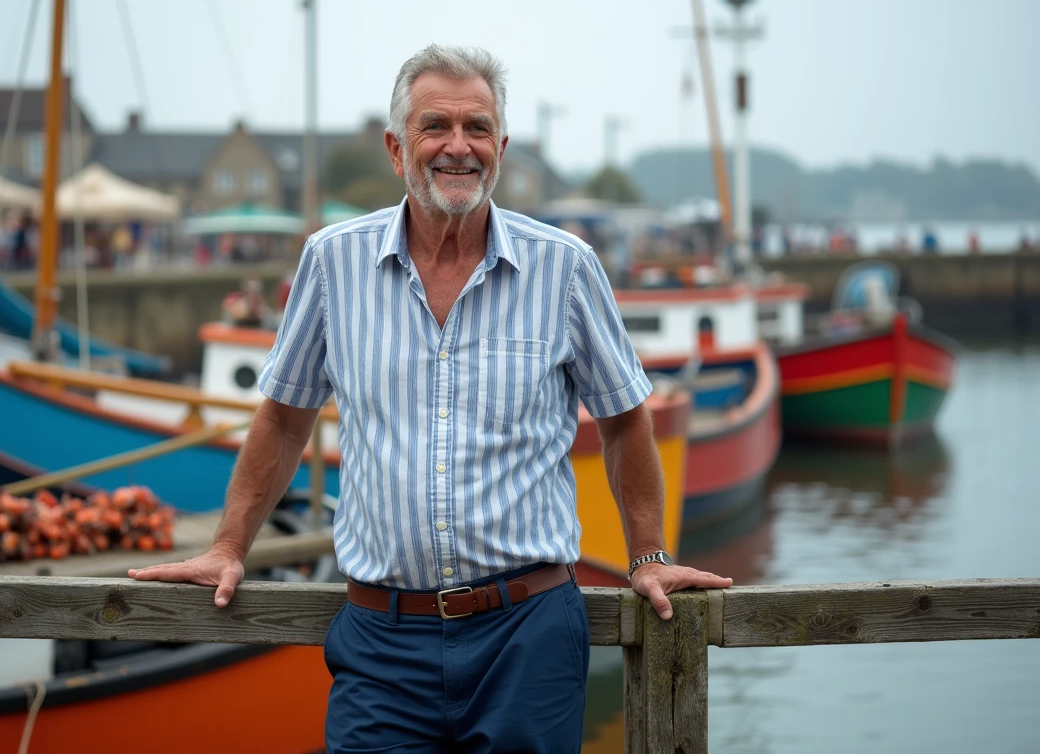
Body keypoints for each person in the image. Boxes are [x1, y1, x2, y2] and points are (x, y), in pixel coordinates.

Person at [129, 45, 730, 752]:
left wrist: (648, 557)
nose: (458, 146)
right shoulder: (332, 261)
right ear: (395, 147)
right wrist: (229, 546)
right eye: (435, 125)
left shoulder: (565, 267)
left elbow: (627, 422)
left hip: (526, 633)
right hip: (381, 640)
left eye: (477, 128)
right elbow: (286, 416)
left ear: (501, 147)